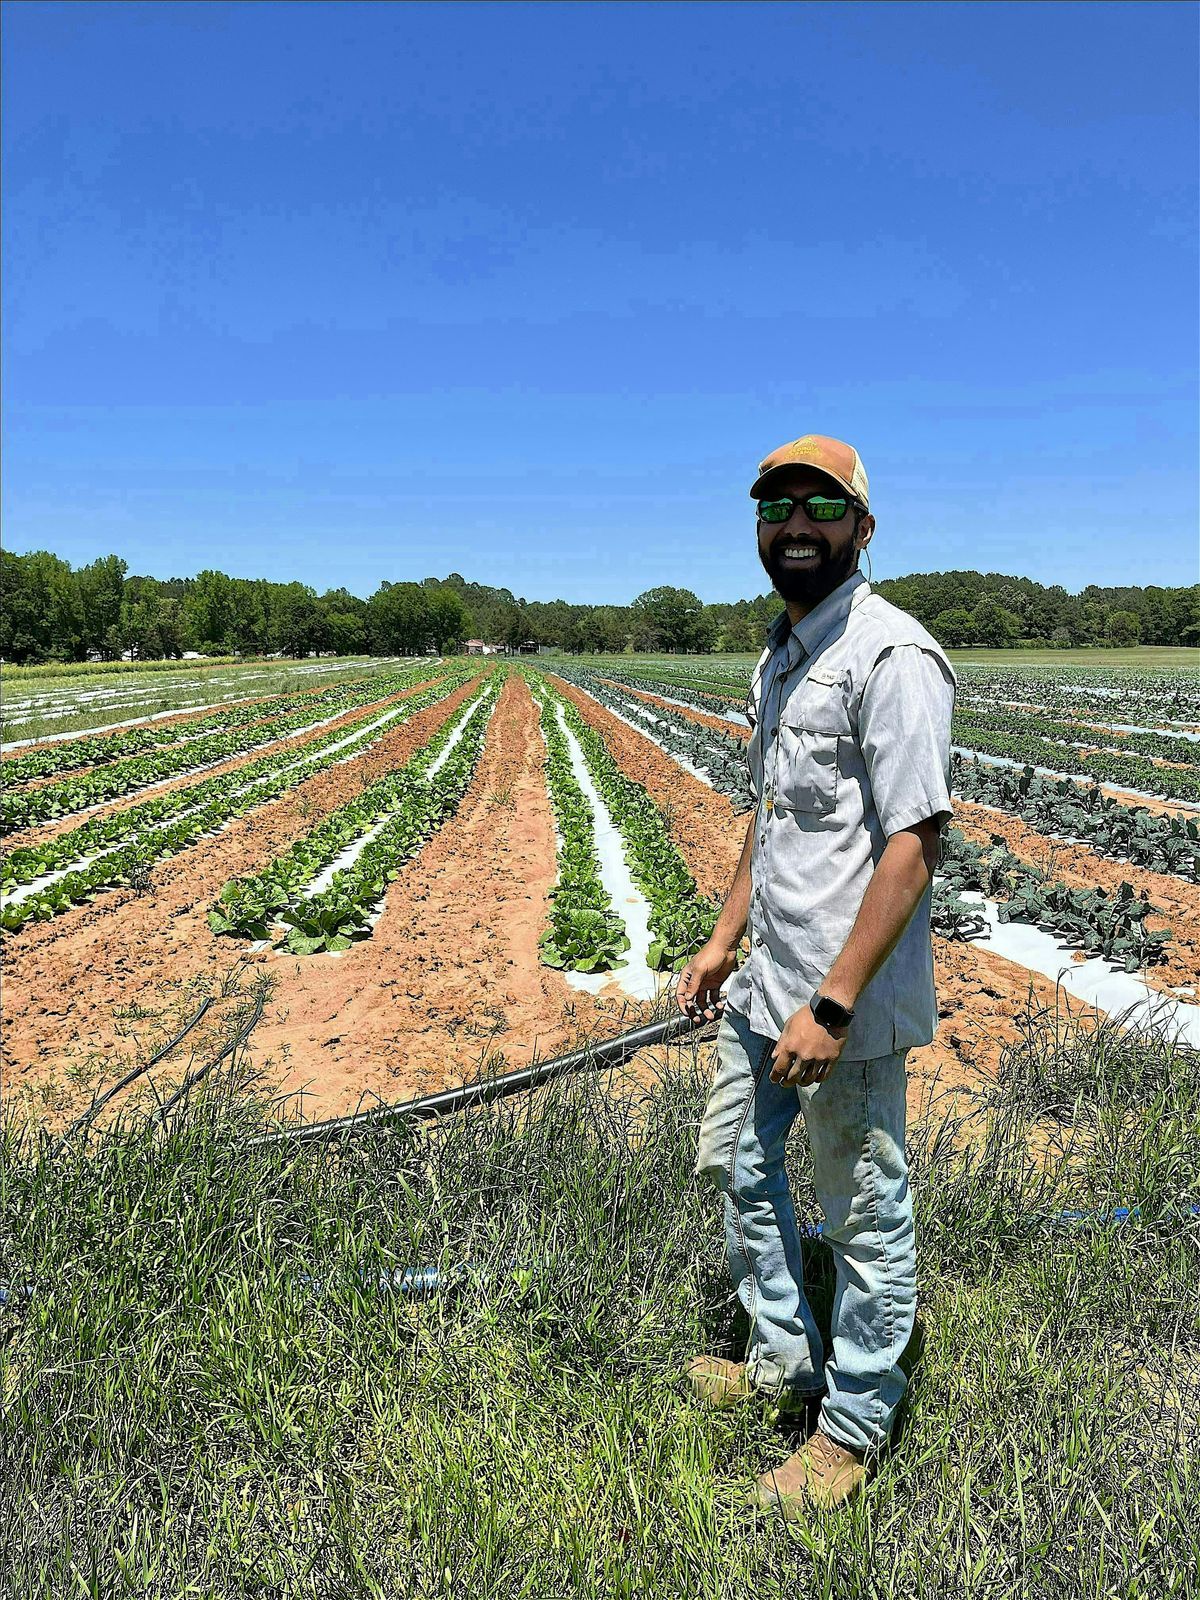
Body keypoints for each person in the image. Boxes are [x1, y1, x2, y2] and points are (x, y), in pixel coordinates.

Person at [676, 433, 956, 1513]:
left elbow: (915, 843)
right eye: (774, 507)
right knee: (742, 1170)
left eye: (819, 506)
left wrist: (832, 1002)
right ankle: (780, 1360)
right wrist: (720, 940)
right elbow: (773, 820)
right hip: (764, 984)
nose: (794, 524)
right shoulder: (781, 655)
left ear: (862, 527)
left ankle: (851, 1426)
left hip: (843, 1003)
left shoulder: (894, 658)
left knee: (862, 1211)